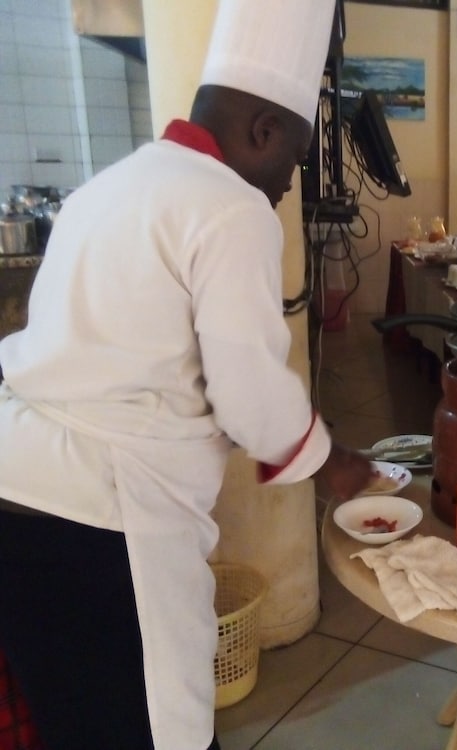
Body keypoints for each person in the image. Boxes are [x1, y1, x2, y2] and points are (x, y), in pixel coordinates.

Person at [0, 2, 373, 749]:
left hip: (17, 493)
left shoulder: (112, 184)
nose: (287, 186)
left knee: (71, 717)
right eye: (294, 161)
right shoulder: (231, 206)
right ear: (264, 130)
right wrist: (334, 462)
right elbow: (249, 394)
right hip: (104, 515)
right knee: (147, 727)